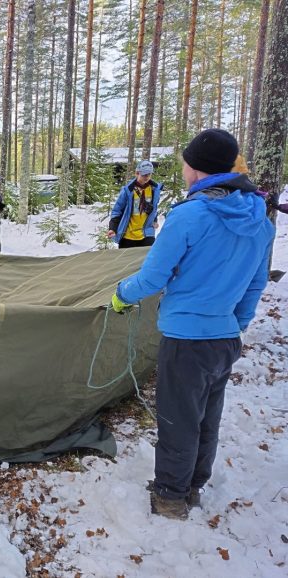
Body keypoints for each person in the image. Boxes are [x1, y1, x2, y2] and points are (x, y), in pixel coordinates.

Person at [111, 129, 274, 520]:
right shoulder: (259, 219)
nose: (182, 169)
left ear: (196, 168)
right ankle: (193, 486)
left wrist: (120, 296)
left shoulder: (190, 216)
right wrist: (235, 324)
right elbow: (256, 282)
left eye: (185, 163)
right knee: (206, 417)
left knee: (177, 419)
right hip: (224, 340)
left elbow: (152, 279)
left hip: (186, 340)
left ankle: (170, 496)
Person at [108, 160, 162, 248]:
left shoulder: (154, 190)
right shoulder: (127, 190)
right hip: (128, 235)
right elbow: (117, 211)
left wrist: (154, 220)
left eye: (149, 174)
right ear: (137, 173)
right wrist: (112, 228)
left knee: (146, 260)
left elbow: (153, 209)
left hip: (147, 234)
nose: (147, 177)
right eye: (144, 174)